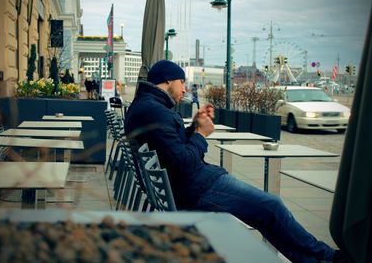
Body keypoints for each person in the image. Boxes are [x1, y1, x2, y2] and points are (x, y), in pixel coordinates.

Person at [124, 60, 348, 263]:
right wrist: (201, 135)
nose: (184, 89)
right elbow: (183, 162)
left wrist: (194, 127)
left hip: (185, 187)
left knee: (266, 213)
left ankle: (318, 259)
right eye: (181, 82)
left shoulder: (146, 107)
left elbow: (172, 149)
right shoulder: (155, 111)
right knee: (272, 207)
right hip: (196, 188)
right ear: (168, 80)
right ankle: (328, 257)